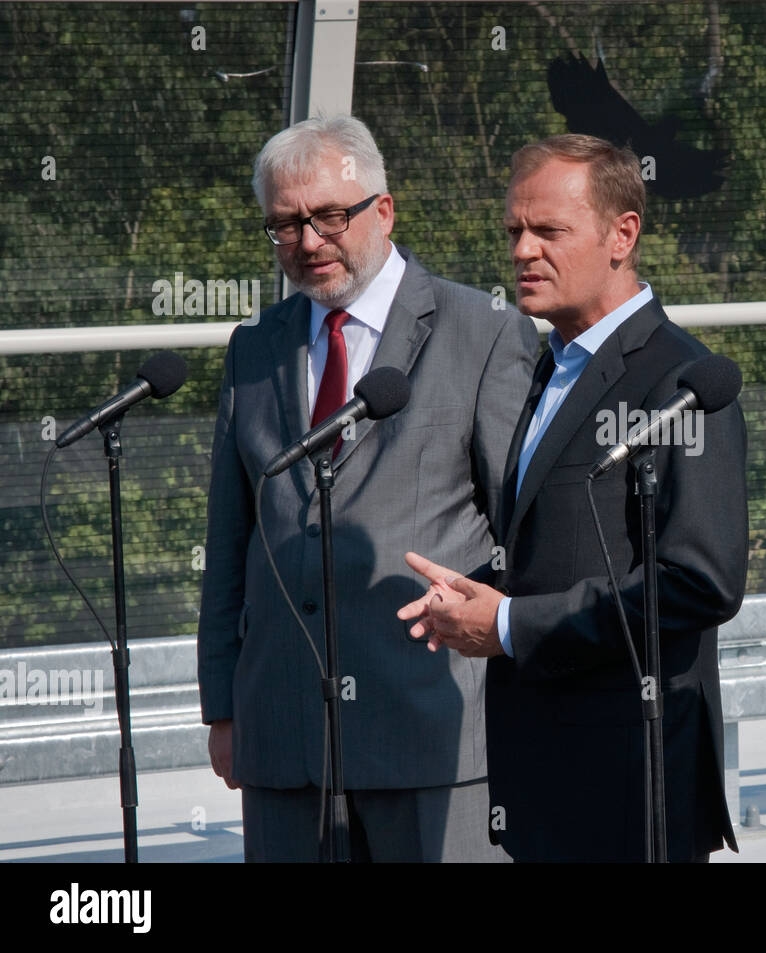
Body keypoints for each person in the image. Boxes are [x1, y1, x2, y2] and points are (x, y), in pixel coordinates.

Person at [397, 134, 747, 862]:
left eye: (548, 230)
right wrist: (478, 598)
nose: (523, 250)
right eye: (514, 231)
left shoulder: (683, 380)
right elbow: (562, 547)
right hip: (546, 781)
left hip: (629, 783)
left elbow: (699, 581)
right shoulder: (549, 366)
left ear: (623, 234)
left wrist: (515, 623)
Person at [197, 115, 537, 861]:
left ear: (383, 210)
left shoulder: (483, 333)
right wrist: (222, 706)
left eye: (328, 216)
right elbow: (230, 542)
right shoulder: (254, 349)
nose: (309, 241)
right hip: (284, 736)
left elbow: (528, 530)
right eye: (285, 225)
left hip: (432, 734)